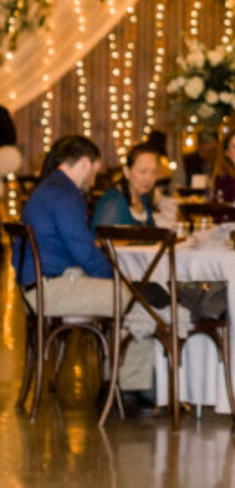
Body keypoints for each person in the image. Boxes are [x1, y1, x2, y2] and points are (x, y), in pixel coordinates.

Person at [18, 135, 158, 417]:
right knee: (135, 299)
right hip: (51, 290)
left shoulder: (49, 190)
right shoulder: (65, 195)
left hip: (37, 286)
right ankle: (127, 389)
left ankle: (118, 381)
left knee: (128, 295)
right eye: (94, 171)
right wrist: (116, 278)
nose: (94, 179)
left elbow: (70, 247)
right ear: (84, 163)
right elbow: (84, 252)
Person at [91, 142, 160, 230]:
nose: (148, 178)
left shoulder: (143, 199)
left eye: (154, 172)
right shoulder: (112, 203)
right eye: (143, 172)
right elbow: (100, 242)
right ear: (127, 172)